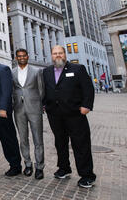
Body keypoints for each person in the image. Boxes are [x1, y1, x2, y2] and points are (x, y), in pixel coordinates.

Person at [42, 45, 96, 188]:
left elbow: (88, 88)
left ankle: (87, 175)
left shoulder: (78, 69)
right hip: (54, 114)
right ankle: (64, 168)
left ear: (65, 54)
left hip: (75, 114)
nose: (57, 55)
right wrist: (44, 104)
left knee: (80, 144)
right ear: (51, 55)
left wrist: (87, 106)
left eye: (60, 53)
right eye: (55, 53)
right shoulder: (46, 72)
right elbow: (44, 90)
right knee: (60, 142)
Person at [12, 49, 45, 180]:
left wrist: (37, 103)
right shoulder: (12, 72)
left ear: (27, 56)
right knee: (23, 139)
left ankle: (39, 167)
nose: (21, 58)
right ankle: (28, 164)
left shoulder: (37, 71)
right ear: (16, 58)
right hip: (19, 110)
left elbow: (41, 90)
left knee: (38, 139)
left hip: (34, 109)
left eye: (24, 56)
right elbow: (13, 89)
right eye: (19, 56)